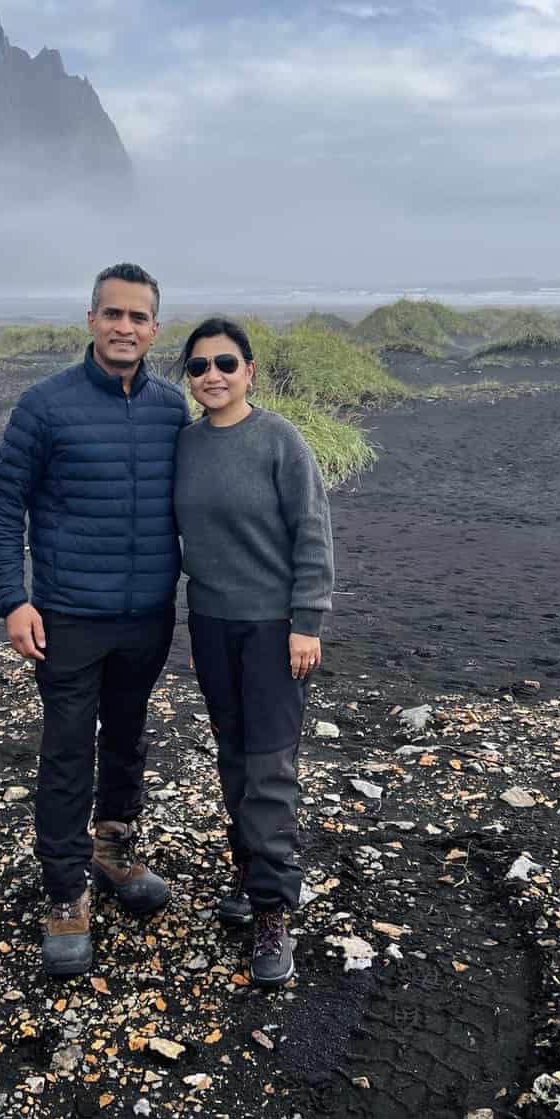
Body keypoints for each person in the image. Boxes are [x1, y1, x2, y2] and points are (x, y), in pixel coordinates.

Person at [0, 263, 190, 977]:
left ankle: (113, 851)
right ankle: (65, 891)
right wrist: (12, 599)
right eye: (112, 314)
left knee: (128, 739)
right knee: (69, 751)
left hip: (148, 617)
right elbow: (4, 509)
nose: (124, 327)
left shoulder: (171, 409)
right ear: (91, 320)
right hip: (67, 616)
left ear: (155, 329)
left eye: (138, 317)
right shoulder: (44, 406)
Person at [174, 317, 334, 987]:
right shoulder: (183, 445)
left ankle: (274, 911)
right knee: (233, 757)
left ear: (250, 371)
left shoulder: (279, 441)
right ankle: (246, 872)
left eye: (226, 363)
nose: (212, 374)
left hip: (274, 630)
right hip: (210, 624)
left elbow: (312, 530)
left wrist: (307, 620)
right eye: (199, 366)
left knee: (270, 769)